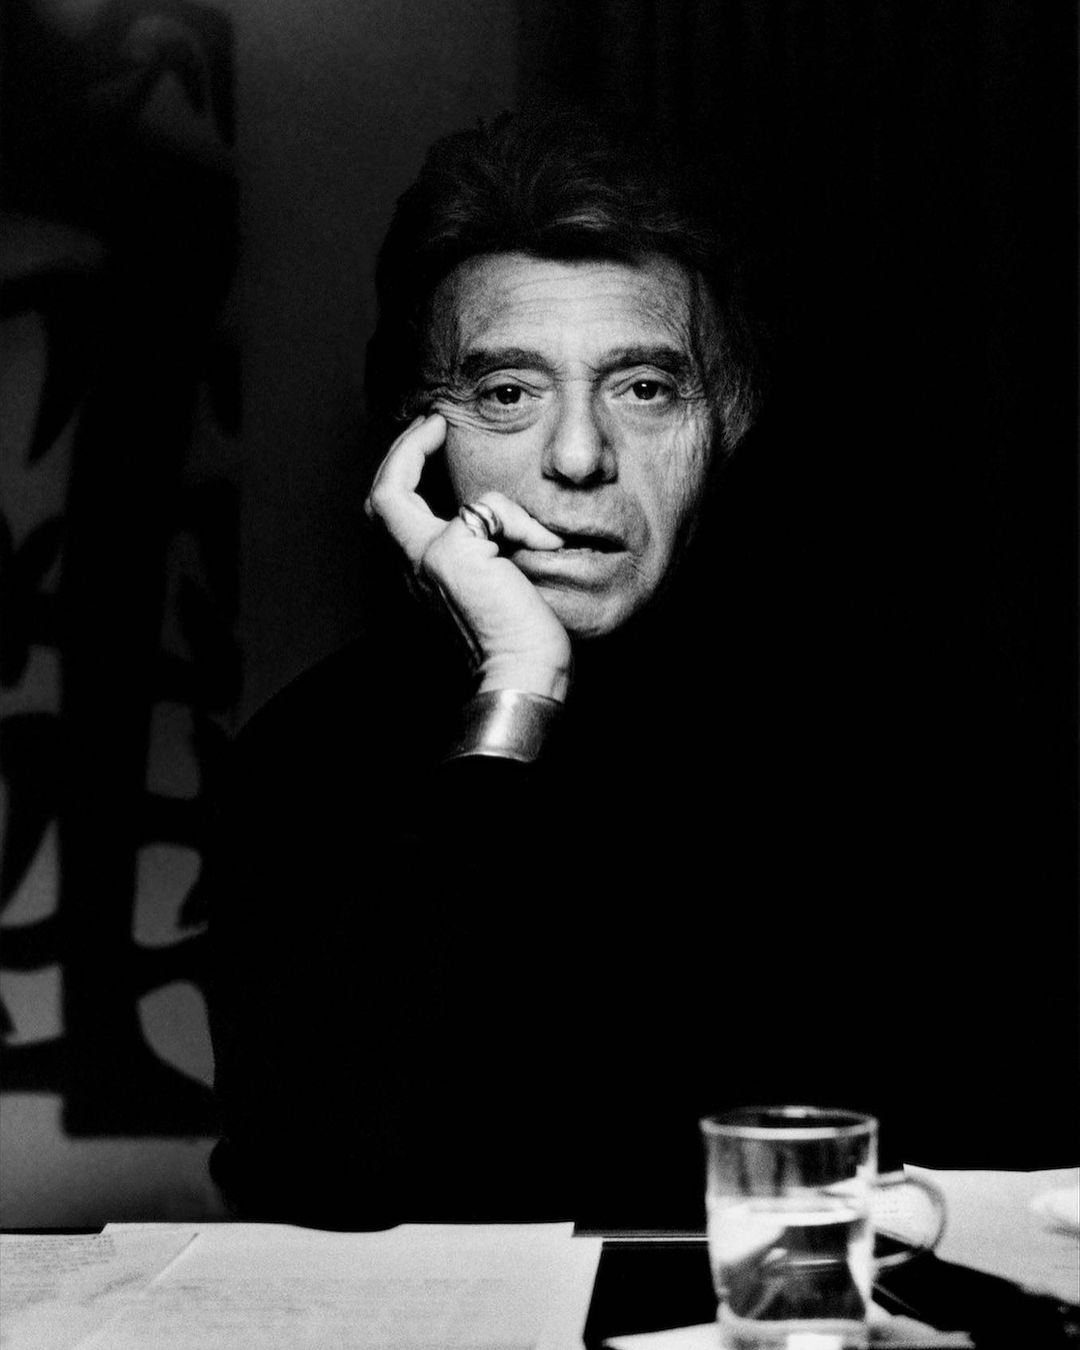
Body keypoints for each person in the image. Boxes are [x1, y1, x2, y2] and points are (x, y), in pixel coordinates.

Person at [206, 107, 1077, 1233]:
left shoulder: (920, 749)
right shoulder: (304, 762)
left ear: (730, 417)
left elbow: (1011, 1183)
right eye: (508, 393)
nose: (578, 456)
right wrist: (517, 689)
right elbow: (319, 1180)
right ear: (421, 437)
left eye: (644, 388)